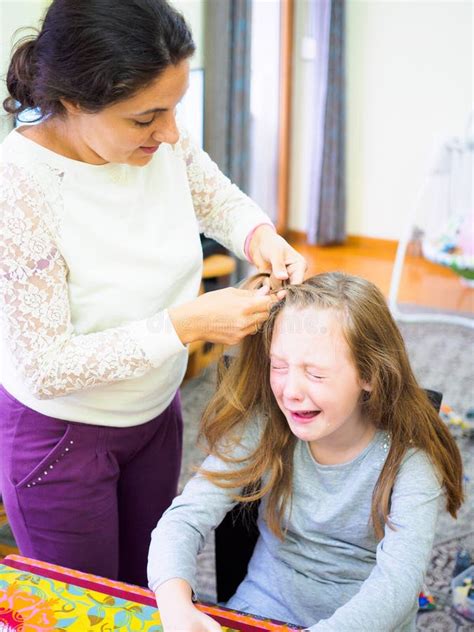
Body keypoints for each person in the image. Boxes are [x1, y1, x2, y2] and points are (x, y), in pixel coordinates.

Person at [0, 0, 306, 587]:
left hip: (154, 414)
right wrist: (187, 325)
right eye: (146, 119)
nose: (168, 134)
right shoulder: (21, 188)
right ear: (71, 101)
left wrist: (259, 234)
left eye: (174, 110)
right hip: (60, 437)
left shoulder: (158, 135)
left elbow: (213, 195)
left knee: (147, 589)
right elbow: (43, 367)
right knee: (87, 616)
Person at [148, 272, 464, 631]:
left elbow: (396, 586)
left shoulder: (411, 461)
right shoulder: (266, 426)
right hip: (263, 607)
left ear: (370, 375)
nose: (290, 391)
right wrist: (175, 602)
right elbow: (184, 519)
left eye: (315, 374)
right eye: (279, 366)